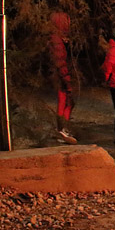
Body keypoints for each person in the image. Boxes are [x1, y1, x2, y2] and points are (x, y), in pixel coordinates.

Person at [48, 11, 78, 145]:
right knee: (65, 101)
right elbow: (60, 61)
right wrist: (67, 80)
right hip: (61, 75)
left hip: (61, 74)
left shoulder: (58, 38)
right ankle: (62, 129)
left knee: (65, 100)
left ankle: (62, 128)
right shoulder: (56, 42)